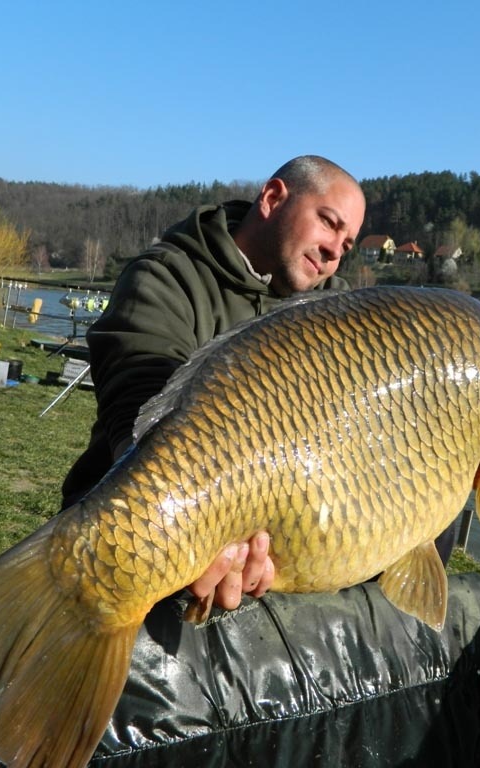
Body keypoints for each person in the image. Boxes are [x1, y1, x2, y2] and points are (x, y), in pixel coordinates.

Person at [61, 155, 367, 615]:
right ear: (272, 198)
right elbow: (139, 400)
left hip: (271, 537)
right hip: (136, 525)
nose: (334, 252)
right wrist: (188, 535)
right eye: (328, 223)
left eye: (347, 243)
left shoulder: (343, 315)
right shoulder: (167, 276)